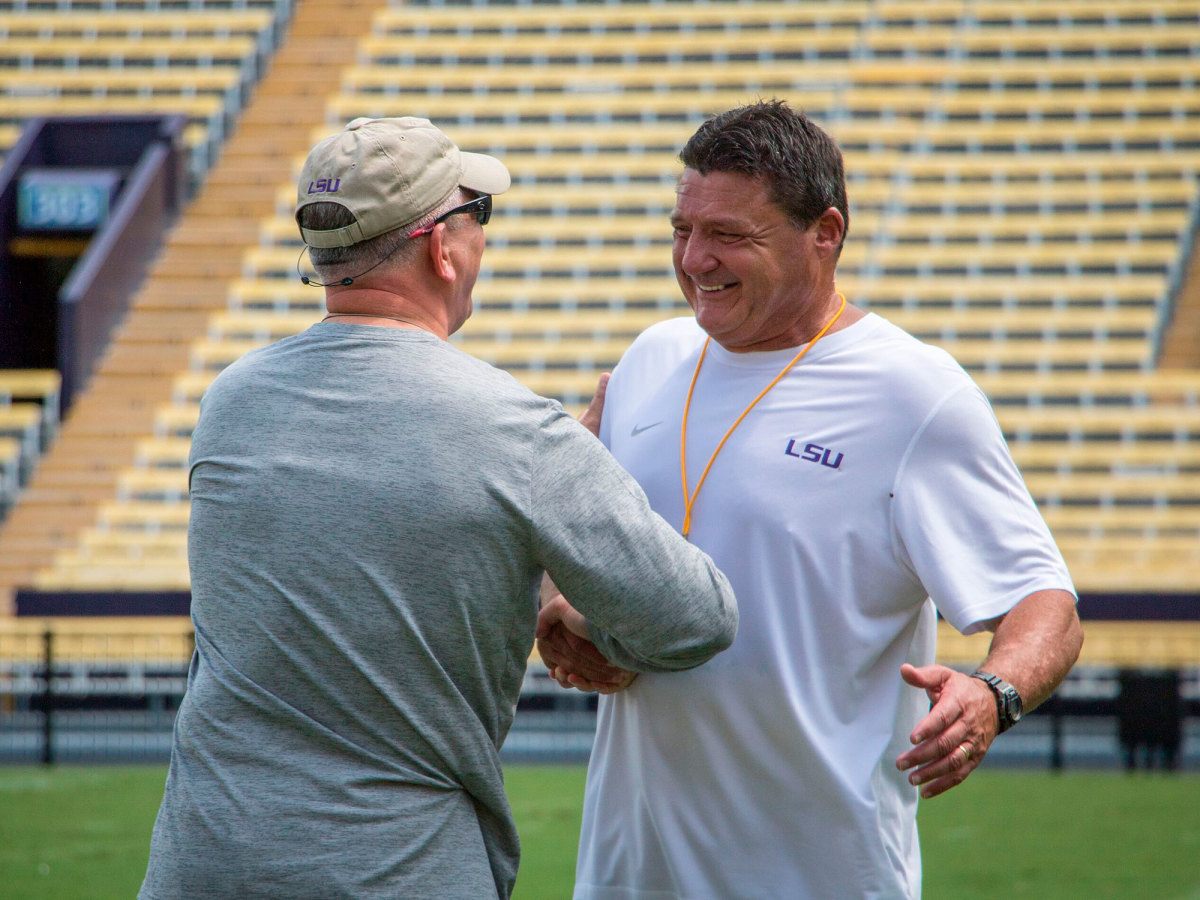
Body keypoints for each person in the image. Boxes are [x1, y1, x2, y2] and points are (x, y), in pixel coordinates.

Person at [139, 117, 738, 900]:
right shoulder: (514, 428)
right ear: (441, 247)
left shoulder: (231, 402)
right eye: (477, 216)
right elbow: (695, 617)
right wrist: (571, 569)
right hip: (399, 870)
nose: (481, 242)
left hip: (199, 859)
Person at [537, 101, 1084, 899]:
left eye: (728, 235)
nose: (694, 259)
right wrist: (561, 611)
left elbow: (1046, 606)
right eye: (681, 230)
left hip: (818, 876)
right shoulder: (650, 359)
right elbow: (576, 545)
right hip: (628, 877)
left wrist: (991, 693)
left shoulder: (912, 393)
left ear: (824, 233)